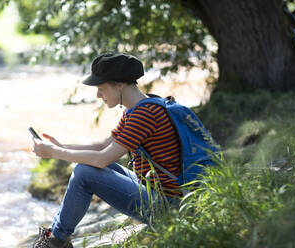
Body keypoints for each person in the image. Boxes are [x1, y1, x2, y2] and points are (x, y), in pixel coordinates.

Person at [31, 53, 183, 248]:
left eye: (101, 88)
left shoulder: (144, 115)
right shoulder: (141, 107)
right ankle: (56, 236)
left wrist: (54, 153)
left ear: (119, 85)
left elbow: (101, 159)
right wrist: (61, 147)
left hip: (168, 207)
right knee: (85, 165)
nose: (98, 95)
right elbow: (103, 145)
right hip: (158, 193)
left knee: (84, 172)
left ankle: (56, 241)